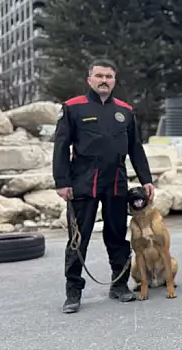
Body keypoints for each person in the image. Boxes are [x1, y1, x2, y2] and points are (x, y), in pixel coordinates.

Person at [52, 58, 155, 314]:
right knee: (78, 239)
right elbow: (61, 147)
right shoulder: (73, 108)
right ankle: (73, 291)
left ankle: (119, 285)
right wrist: (62, 182)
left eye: (108, 76)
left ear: (114, 81)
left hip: (116, 182)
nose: (104, 81)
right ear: (90, 79)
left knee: (117, 236)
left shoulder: (125, 111)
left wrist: (146, 179)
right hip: (82, 182)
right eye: (99, 76)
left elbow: (135, 149)